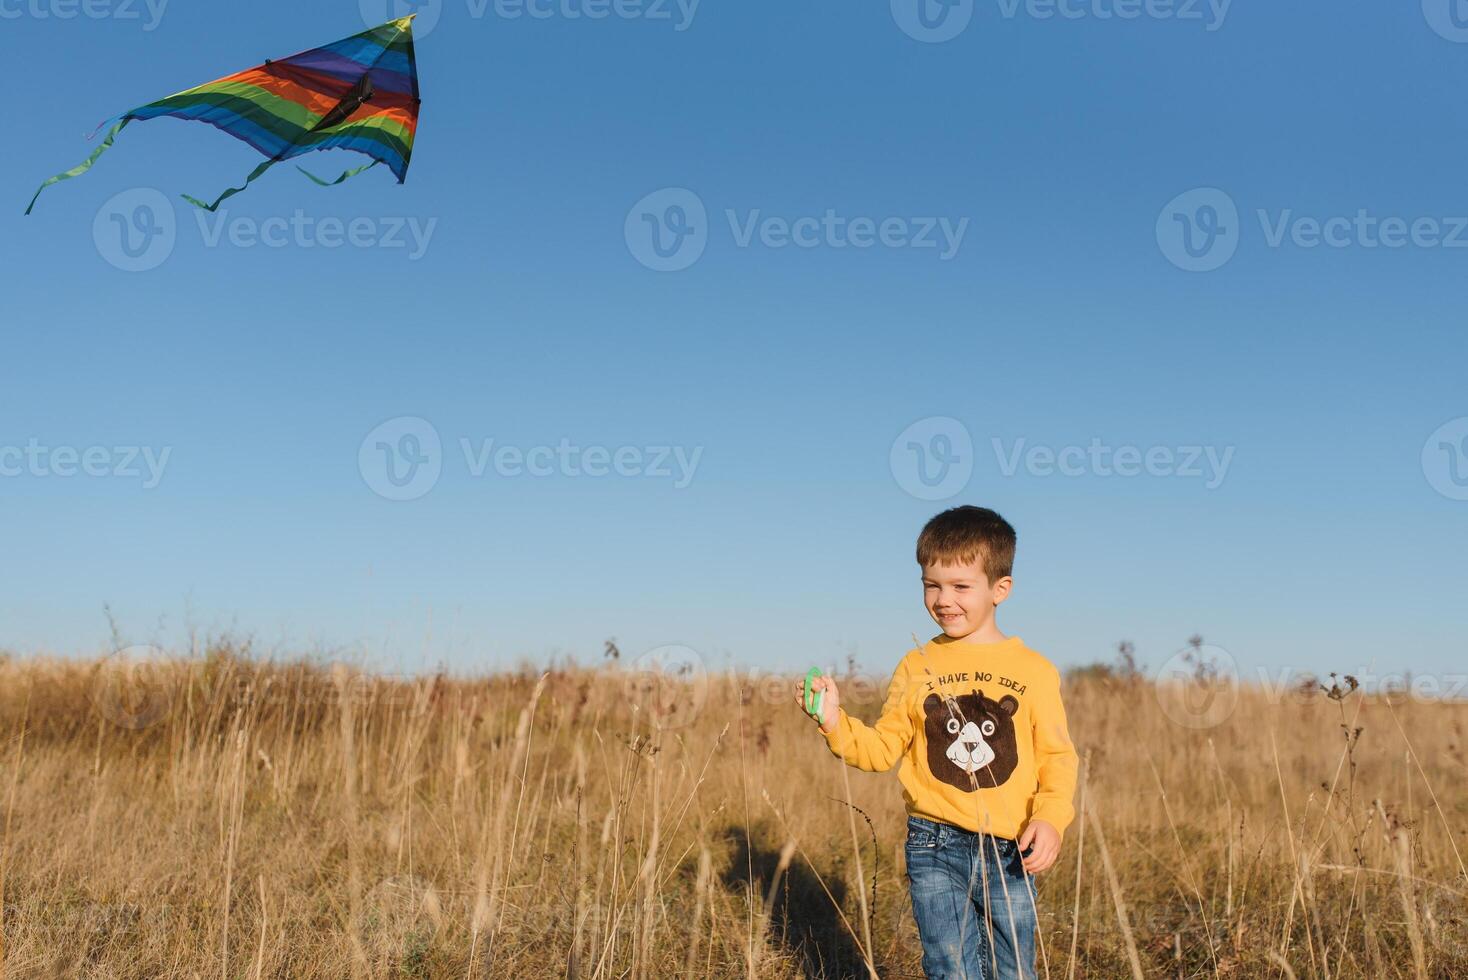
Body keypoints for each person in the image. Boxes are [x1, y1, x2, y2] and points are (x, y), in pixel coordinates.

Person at [795, 505, 1078, 979]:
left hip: (1009, 846)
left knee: (1015, 970)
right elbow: (883, 748)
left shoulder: (1034, 670)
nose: (944, 599)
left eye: (961, 586)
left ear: (999, 589)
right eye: (932, 585)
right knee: (948, 967)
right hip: (933, 842)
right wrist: (834, 722)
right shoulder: (916, 664)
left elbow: (1056, 757)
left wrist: (1050, 819)